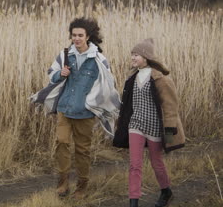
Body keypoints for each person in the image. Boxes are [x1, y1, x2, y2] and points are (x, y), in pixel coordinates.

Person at [31, 17, 120, 199]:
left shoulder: (98, 59)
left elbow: (107, 84)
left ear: (88, 36)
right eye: (74, 35)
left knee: (82, 150)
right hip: (65, 108)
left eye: (80, 35)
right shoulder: (64, 55)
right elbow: (51, 74)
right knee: (61, 142)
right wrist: (59, 74)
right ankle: (62, 182)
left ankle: (82, 186)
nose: (76, 38)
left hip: (85, 113)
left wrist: (93, 103)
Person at [112, 38, 185, 207]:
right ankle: (134, 202)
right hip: (135, 125)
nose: (132, 57)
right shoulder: (131, 79)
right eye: (132, 54)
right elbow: (127, 106)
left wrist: (169, 131)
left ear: (146, 57)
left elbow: (170, 106)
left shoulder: (161, 79)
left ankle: (166, 191)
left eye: (136, 54)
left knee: (156, 162)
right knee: (134, 165)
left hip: (154, 126)